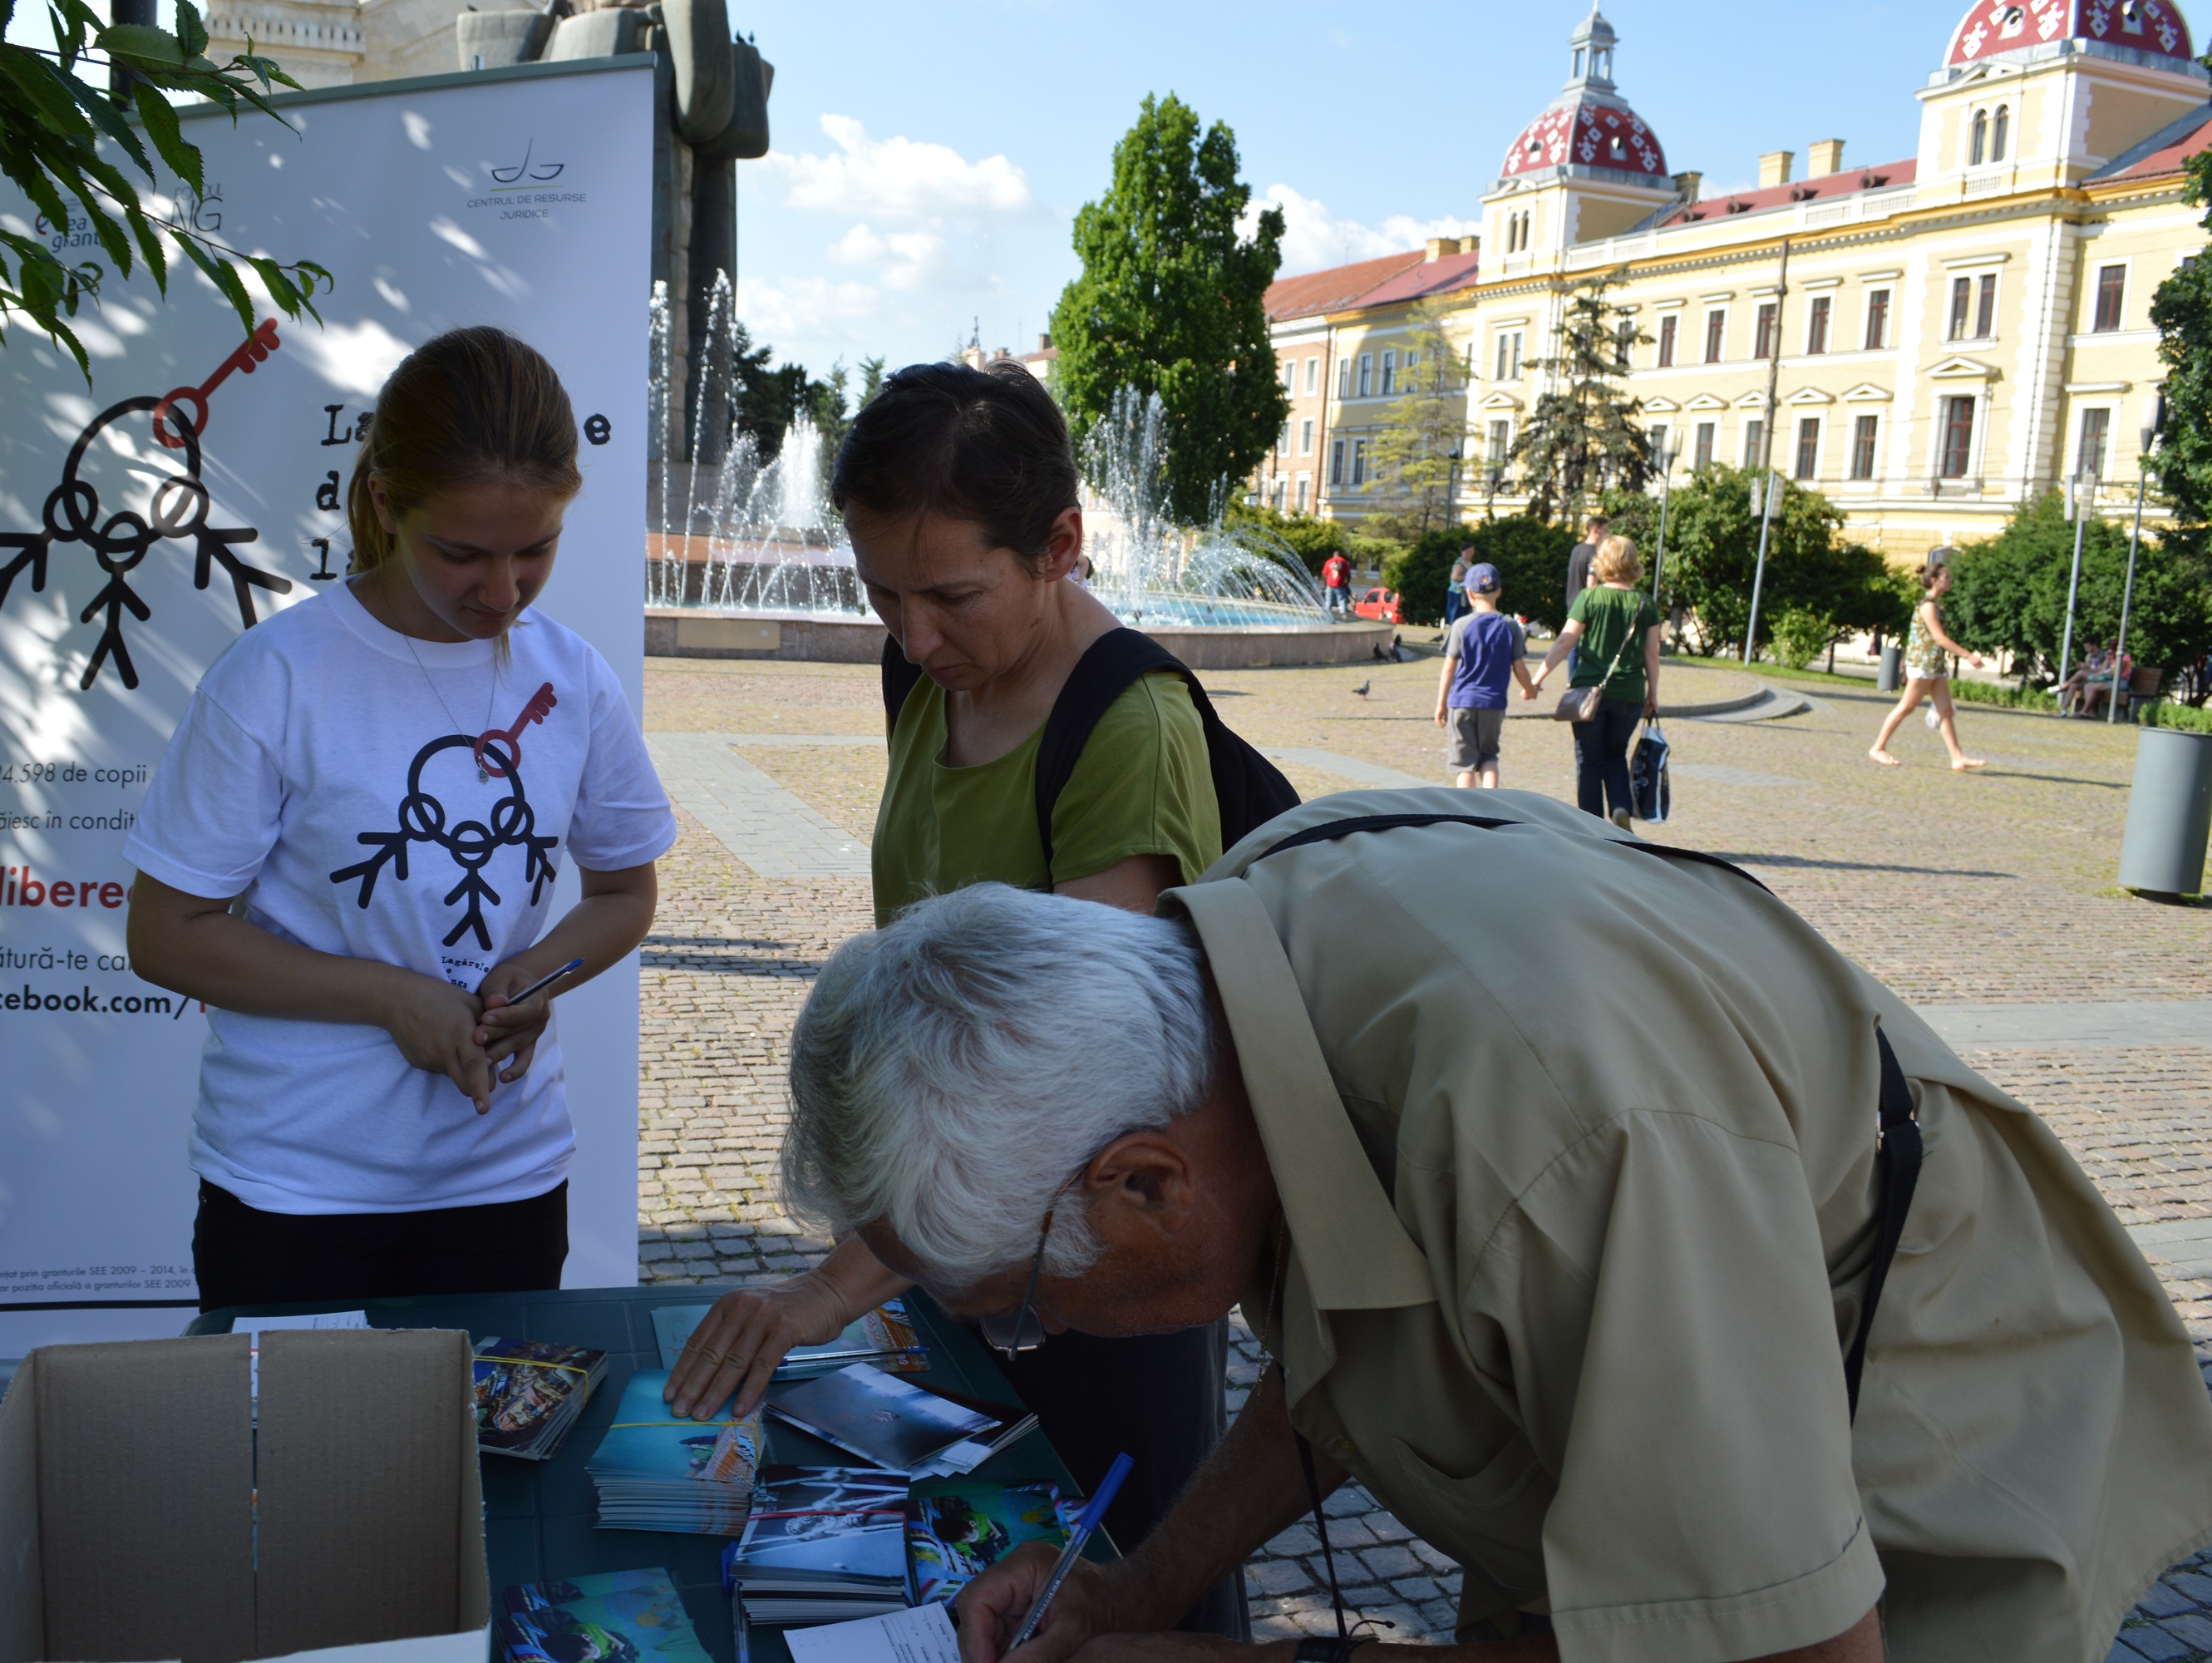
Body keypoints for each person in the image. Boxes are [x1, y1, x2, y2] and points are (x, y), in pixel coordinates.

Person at [777, 801, 2212, 1662]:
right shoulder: (1236, 963)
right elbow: (1367, 1328)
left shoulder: (1565, 1136)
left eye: (1022, 1303)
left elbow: (1778, 1647)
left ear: (1145, 1184)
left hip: (1933, 1499)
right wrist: (1140, 1586)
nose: (1033, 1336)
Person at [663, 359, 1242, 1636]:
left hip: (1089, 1265)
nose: (916, 640)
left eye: (951, 596)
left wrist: (827, 1290)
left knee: (1107, 1592)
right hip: (960, 1240)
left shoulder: (1125, 729)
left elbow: (1070, 1118)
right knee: (960, 1585)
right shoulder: (926, 671)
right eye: (883, 596)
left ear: (1062, 546)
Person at [123, 327, 675, 1310]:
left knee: (482, 1460)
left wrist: (537, 972)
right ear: (385, 501)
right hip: (294, 1184)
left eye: (536, 550)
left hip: (503, 1176)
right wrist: (391, 996)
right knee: (298, 1464)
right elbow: (166, 935)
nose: (502, 593)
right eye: (461, 553)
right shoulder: (277, 676)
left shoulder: (573, 677)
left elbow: (625, 891)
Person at [1535, 534, 1660, 829]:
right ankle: (1619, 808)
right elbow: (1652, 654)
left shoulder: (1590, 597)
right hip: (1630, 693)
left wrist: (1538, 678)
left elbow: (1566, 642)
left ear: (1602, 562)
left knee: (1589, 759)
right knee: (1616, 754)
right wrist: (1653, 694)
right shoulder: (1645, 602)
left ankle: (1590, 825)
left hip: (1590, 693)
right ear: (1632, 561)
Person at [1869, 559, 1986, 769]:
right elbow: (1939, 638)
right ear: (1935, 580)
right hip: (1923, 664)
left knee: (1946, 711)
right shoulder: (1928, 606)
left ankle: (1957, 757)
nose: (1951, 580)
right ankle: (1878, 748)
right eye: (1947, 577)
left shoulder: (1936, 605)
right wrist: (1967, 655)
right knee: (1907, 707)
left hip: (1935, 665)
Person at [1431, 561, 1537, 788]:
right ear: (1499, 591)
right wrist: (1530, 689)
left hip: (1462, 703)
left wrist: (1441, 703)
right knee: (1489, 757)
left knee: (1464, 764)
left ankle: (1466, 815)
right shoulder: (1510, 627)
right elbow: (1520, 668)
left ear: (1469, 593)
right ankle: (1491, 808)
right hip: (1493, 703)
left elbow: (1449, 668)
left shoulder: (1461, 625)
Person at [1564, 512, 1608, 611]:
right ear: (1595, 530)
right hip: (1587, 606)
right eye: (1605, 530)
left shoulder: (1577, 549)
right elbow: (1591, 584)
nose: (1607, 535)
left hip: (1573, 603)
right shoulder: (1596, 553)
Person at [1442, 543, 1475, 630]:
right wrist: (1468, 578)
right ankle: (1451, 625)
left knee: (1463, 611)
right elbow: (1454, 577)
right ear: (1463, 552)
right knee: (1455, 610)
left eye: (1472, 551)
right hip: (1456, 591)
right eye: (1468, 551)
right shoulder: (1461, 563)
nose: (1470, 553)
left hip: (1464, 591)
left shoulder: (1469, 563)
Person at [1320, 550, 1352, 619]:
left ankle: (1326, 617)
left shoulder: (1328, 561)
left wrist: (1326, 584)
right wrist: (1346, 583)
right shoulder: (1344, 561)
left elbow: (1324, 574)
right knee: (1342, 601)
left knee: (1328, 601)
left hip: (1330, 585)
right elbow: (1348, 575)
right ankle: (1343, 618)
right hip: (1340, 585)